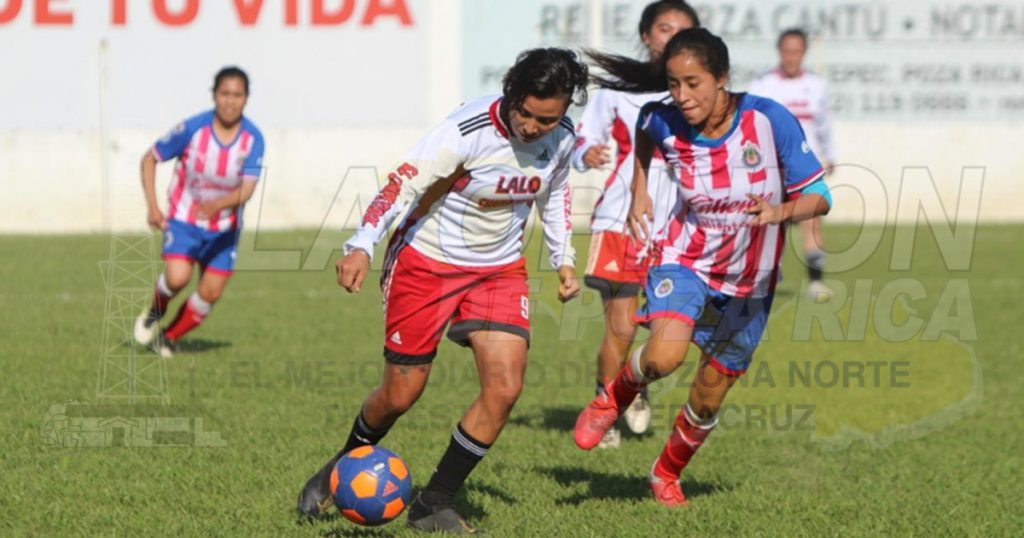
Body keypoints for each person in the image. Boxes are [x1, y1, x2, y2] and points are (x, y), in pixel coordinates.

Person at [297, 48, 588, 533]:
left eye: (549, 118)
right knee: (400, 394)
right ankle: (341, 468)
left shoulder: (561, 137)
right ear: (511, 95)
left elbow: (555, 191)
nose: (536, 127)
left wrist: (564, 259)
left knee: (505, 387)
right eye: (529, 115)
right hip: (426, 264)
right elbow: (401, 186)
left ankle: (434, 504)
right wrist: (362, 245)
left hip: (498, 270)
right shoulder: (466, 131)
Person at [573, 28, 833, 507]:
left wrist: (778, 212)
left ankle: (665, 473)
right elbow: (646, 131)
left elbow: (820, 198)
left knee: (708, 395)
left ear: (721, 78)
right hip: (684, 258)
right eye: (673, 83)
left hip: (750, 281)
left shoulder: (768, 119)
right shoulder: (663, 118)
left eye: (693, 83)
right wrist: (639, 188)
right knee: (662, 357)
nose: (681, 96)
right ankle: (613, 397)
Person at [573, 0, 699, 449]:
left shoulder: (699, 91)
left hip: (684, 224)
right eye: (663, 28)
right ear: (647, 35)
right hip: (622, 218)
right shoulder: (619, 90)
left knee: (668, 327)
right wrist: (585, 152)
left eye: (681, 30)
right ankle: (605, 403)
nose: (670, 37)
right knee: (621, 326)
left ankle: (632, 383)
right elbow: (585, 134)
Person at [134, 66, 265, 359]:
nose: (230, 101)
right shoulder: (193, 129)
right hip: (185, 220)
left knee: (210, 293)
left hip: (225, 229)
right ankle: (155, 310)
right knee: (178, 277)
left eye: (237, 95)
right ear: (214, 95)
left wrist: (218, 205)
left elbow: (248, 189)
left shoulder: (253, 139)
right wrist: (153, 207)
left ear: (246, 99)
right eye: (224, 94)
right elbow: (149, 159)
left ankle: (167, 338)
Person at [748, 28, 836, 301]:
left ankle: (816, 282)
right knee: (770, 224)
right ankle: (764, 277)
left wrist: (830, 155)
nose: (791, 57)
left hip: (803, 167)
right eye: (787, 51)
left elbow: (823, 124)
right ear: (779, 52)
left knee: (811, 221)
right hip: (771, 169)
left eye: (796, 51)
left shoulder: (816, 85)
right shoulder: (762, 86)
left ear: (804, 52)